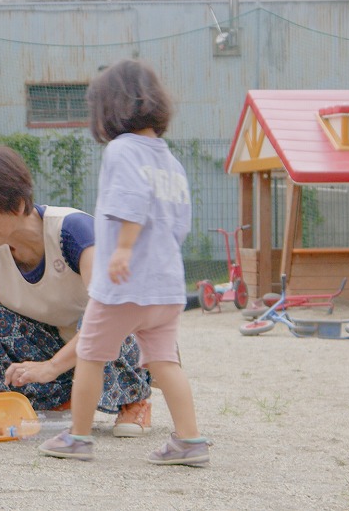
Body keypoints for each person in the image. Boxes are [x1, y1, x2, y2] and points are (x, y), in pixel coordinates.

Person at [39, 59, 211, 465]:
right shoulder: (169, 159)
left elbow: (132, 202)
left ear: (109, 108)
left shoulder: (122, 150)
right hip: (166, 286)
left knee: (92, 357)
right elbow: (178, 224)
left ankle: (77, 438)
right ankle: (190, 441)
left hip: (124, 284)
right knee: (165, 363)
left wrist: (123, 250)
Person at [0, 145, 153, 437]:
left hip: (112, 342)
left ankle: (132, 399)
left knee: (107, 311)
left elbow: (107, 315)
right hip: (63, 352)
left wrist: (51, 367)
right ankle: (51, 400)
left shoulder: (74, 232)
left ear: (16, 205)